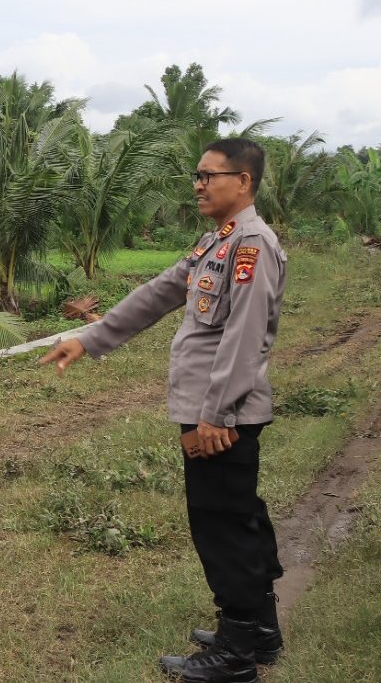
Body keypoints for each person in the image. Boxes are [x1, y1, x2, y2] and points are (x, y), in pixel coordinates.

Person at [39, 138, 286, 683]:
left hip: (221, 415)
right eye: (196, 176)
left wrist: (216, 414)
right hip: (211, 410)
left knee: (223, 526)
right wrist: (89, 338)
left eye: (209, 176)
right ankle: (259, 631)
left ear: (243, 181)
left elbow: (245, 338)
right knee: (236, 515)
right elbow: (158, 293)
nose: (198, 185)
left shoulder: (251, 247)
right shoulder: (217, 241)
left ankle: (236, 652)